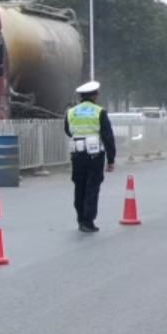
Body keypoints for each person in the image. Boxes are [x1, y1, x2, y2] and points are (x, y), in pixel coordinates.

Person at [64, 80, 117, 232]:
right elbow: (107, 136)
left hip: (77, 155)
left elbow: (68, 131)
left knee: (79, 187)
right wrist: (111, 159)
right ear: (94, 96)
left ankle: (80, 219)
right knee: (92, 188)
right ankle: (88, 221)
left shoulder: (71, 112)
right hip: (95, 156)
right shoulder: (99, 111)